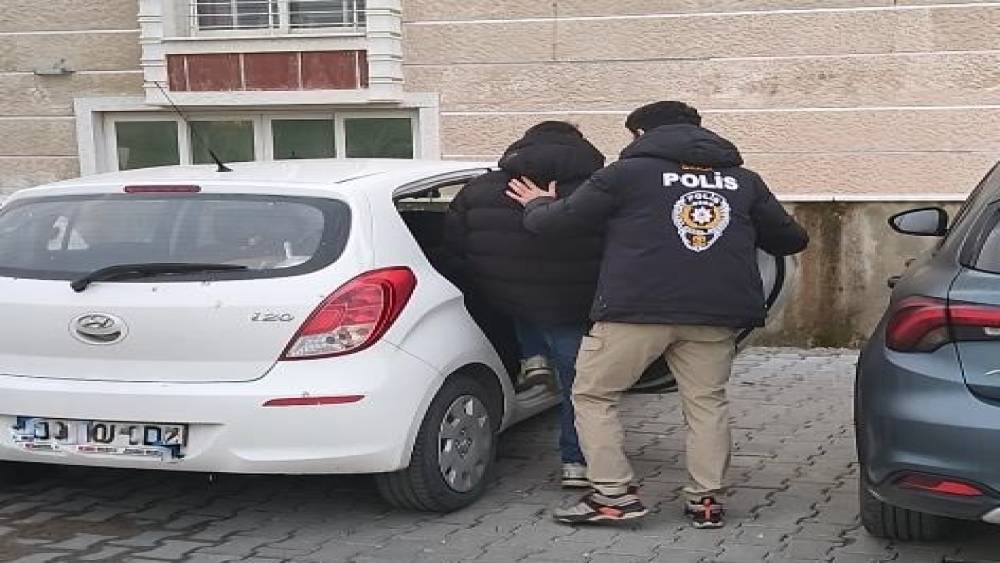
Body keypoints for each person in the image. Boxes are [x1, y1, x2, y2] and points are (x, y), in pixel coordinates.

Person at [507, 101, 809, 528]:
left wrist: (537, 204)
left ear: (640, 134)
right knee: (706, 403)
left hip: (636, 310)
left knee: (594, 395)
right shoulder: (743, 180)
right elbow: (792, 240)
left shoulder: (625, 174)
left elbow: (555, 225)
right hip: (715, 313)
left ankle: (613, 496)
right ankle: (706, 501)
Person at [444, 121, 605, 488]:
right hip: (573, 303)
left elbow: (454, 244)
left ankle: (533, 359)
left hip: (507, 295)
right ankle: (576, 463)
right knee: (580, 388)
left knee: (522, 296)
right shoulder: (599, 189)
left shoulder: (480, 188)